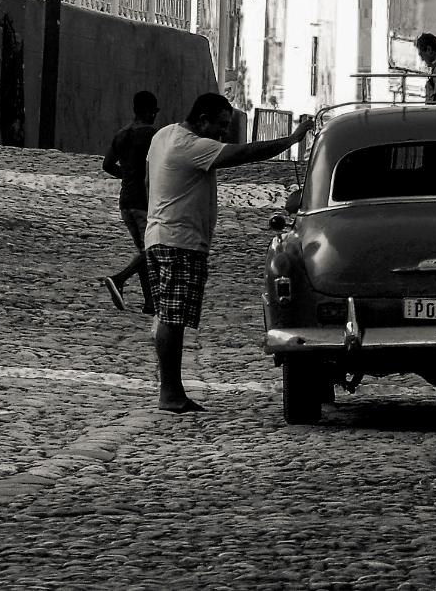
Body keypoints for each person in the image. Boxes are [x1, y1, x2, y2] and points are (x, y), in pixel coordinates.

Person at [140, 93, 315, 413]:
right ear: (202, 120)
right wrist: (292, 140)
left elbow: (148, 181)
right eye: (220, 126)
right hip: (180, 241)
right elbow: (245, 153)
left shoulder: (163, 136)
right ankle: (170, 393)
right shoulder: (192, 146)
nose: (223, 133)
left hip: (159, 235)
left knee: (167, 316)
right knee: (172, 319)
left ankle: (171, 390)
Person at [98, 91, 162, 313]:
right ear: (149, 111)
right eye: (154, 111)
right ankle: (119, 278)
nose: (155, 115)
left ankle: (150, 302)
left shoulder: (121, 135)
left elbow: (107, 164)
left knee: (143, 251)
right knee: (152, 251)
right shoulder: (152, 135)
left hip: (125, 201)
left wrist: (127, 176)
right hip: (144, 201)